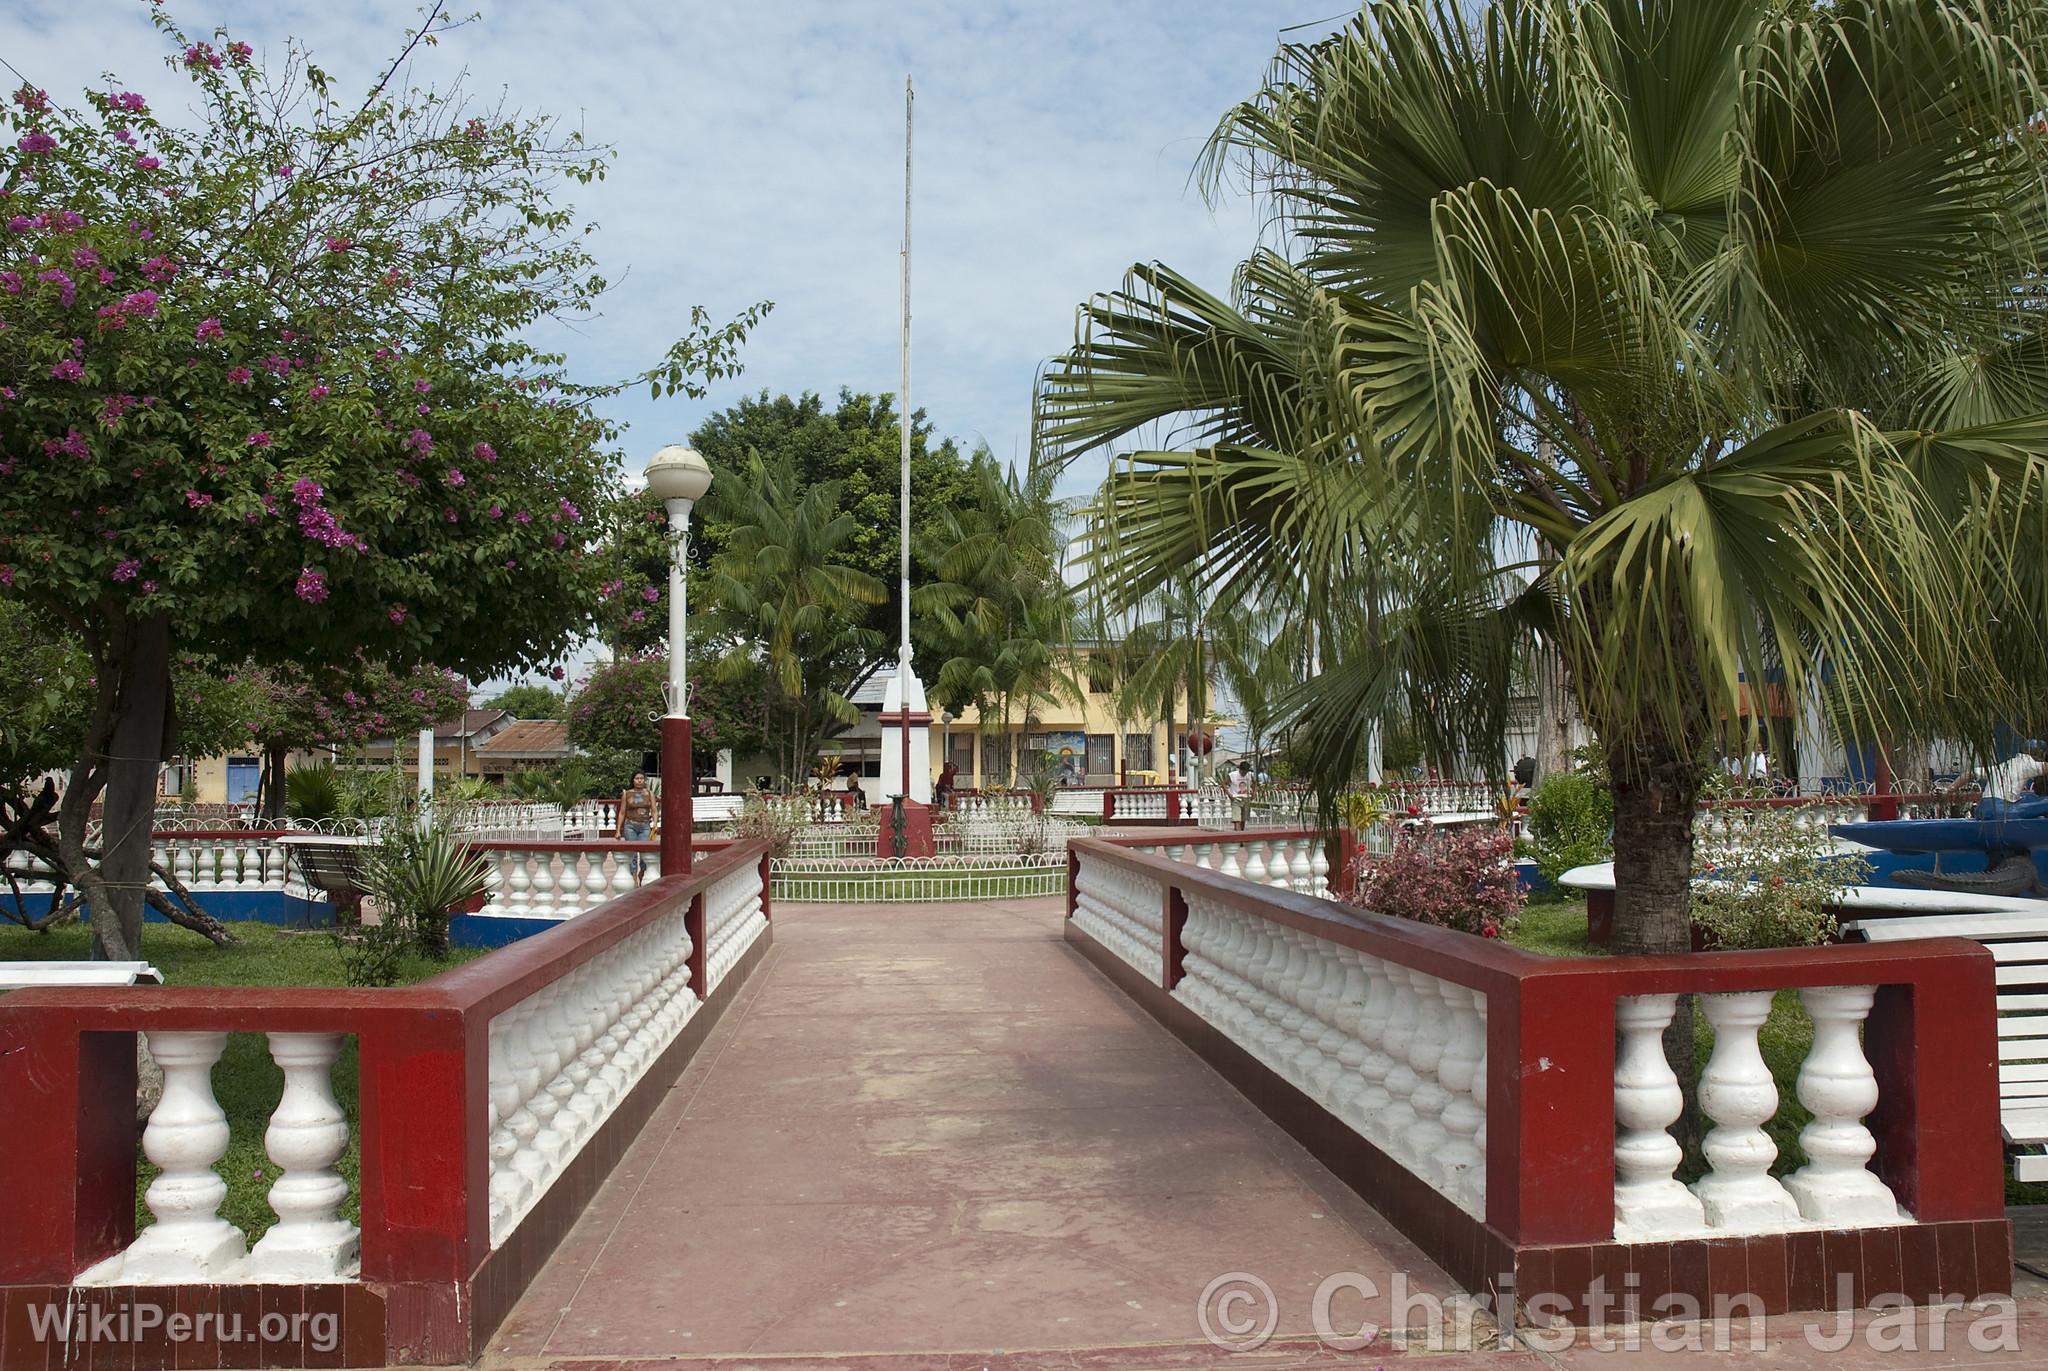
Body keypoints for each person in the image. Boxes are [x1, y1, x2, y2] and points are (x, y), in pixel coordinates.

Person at [1954, 741, 2048, 803]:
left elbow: (1968, 774)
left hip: (1983, 807)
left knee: (2024, 798)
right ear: (2039, 754)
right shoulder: (2029, 764)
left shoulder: (2001, 766)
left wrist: (1949, 789)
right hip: (2001, 809)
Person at [615, 772, 655, 885]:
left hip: (645, 825)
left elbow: (654, 810)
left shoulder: (649, 794)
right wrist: (618, 830)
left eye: (641, 778)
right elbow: (622, 812)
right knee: (631, 853)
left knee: (644, 852)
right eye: (637, 778)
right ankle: (633, 878)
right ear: (633, 780)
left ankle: (642, 873)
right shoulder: (627, 794)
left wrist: (655, 824)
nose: (639, 780)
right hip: (630, 825)